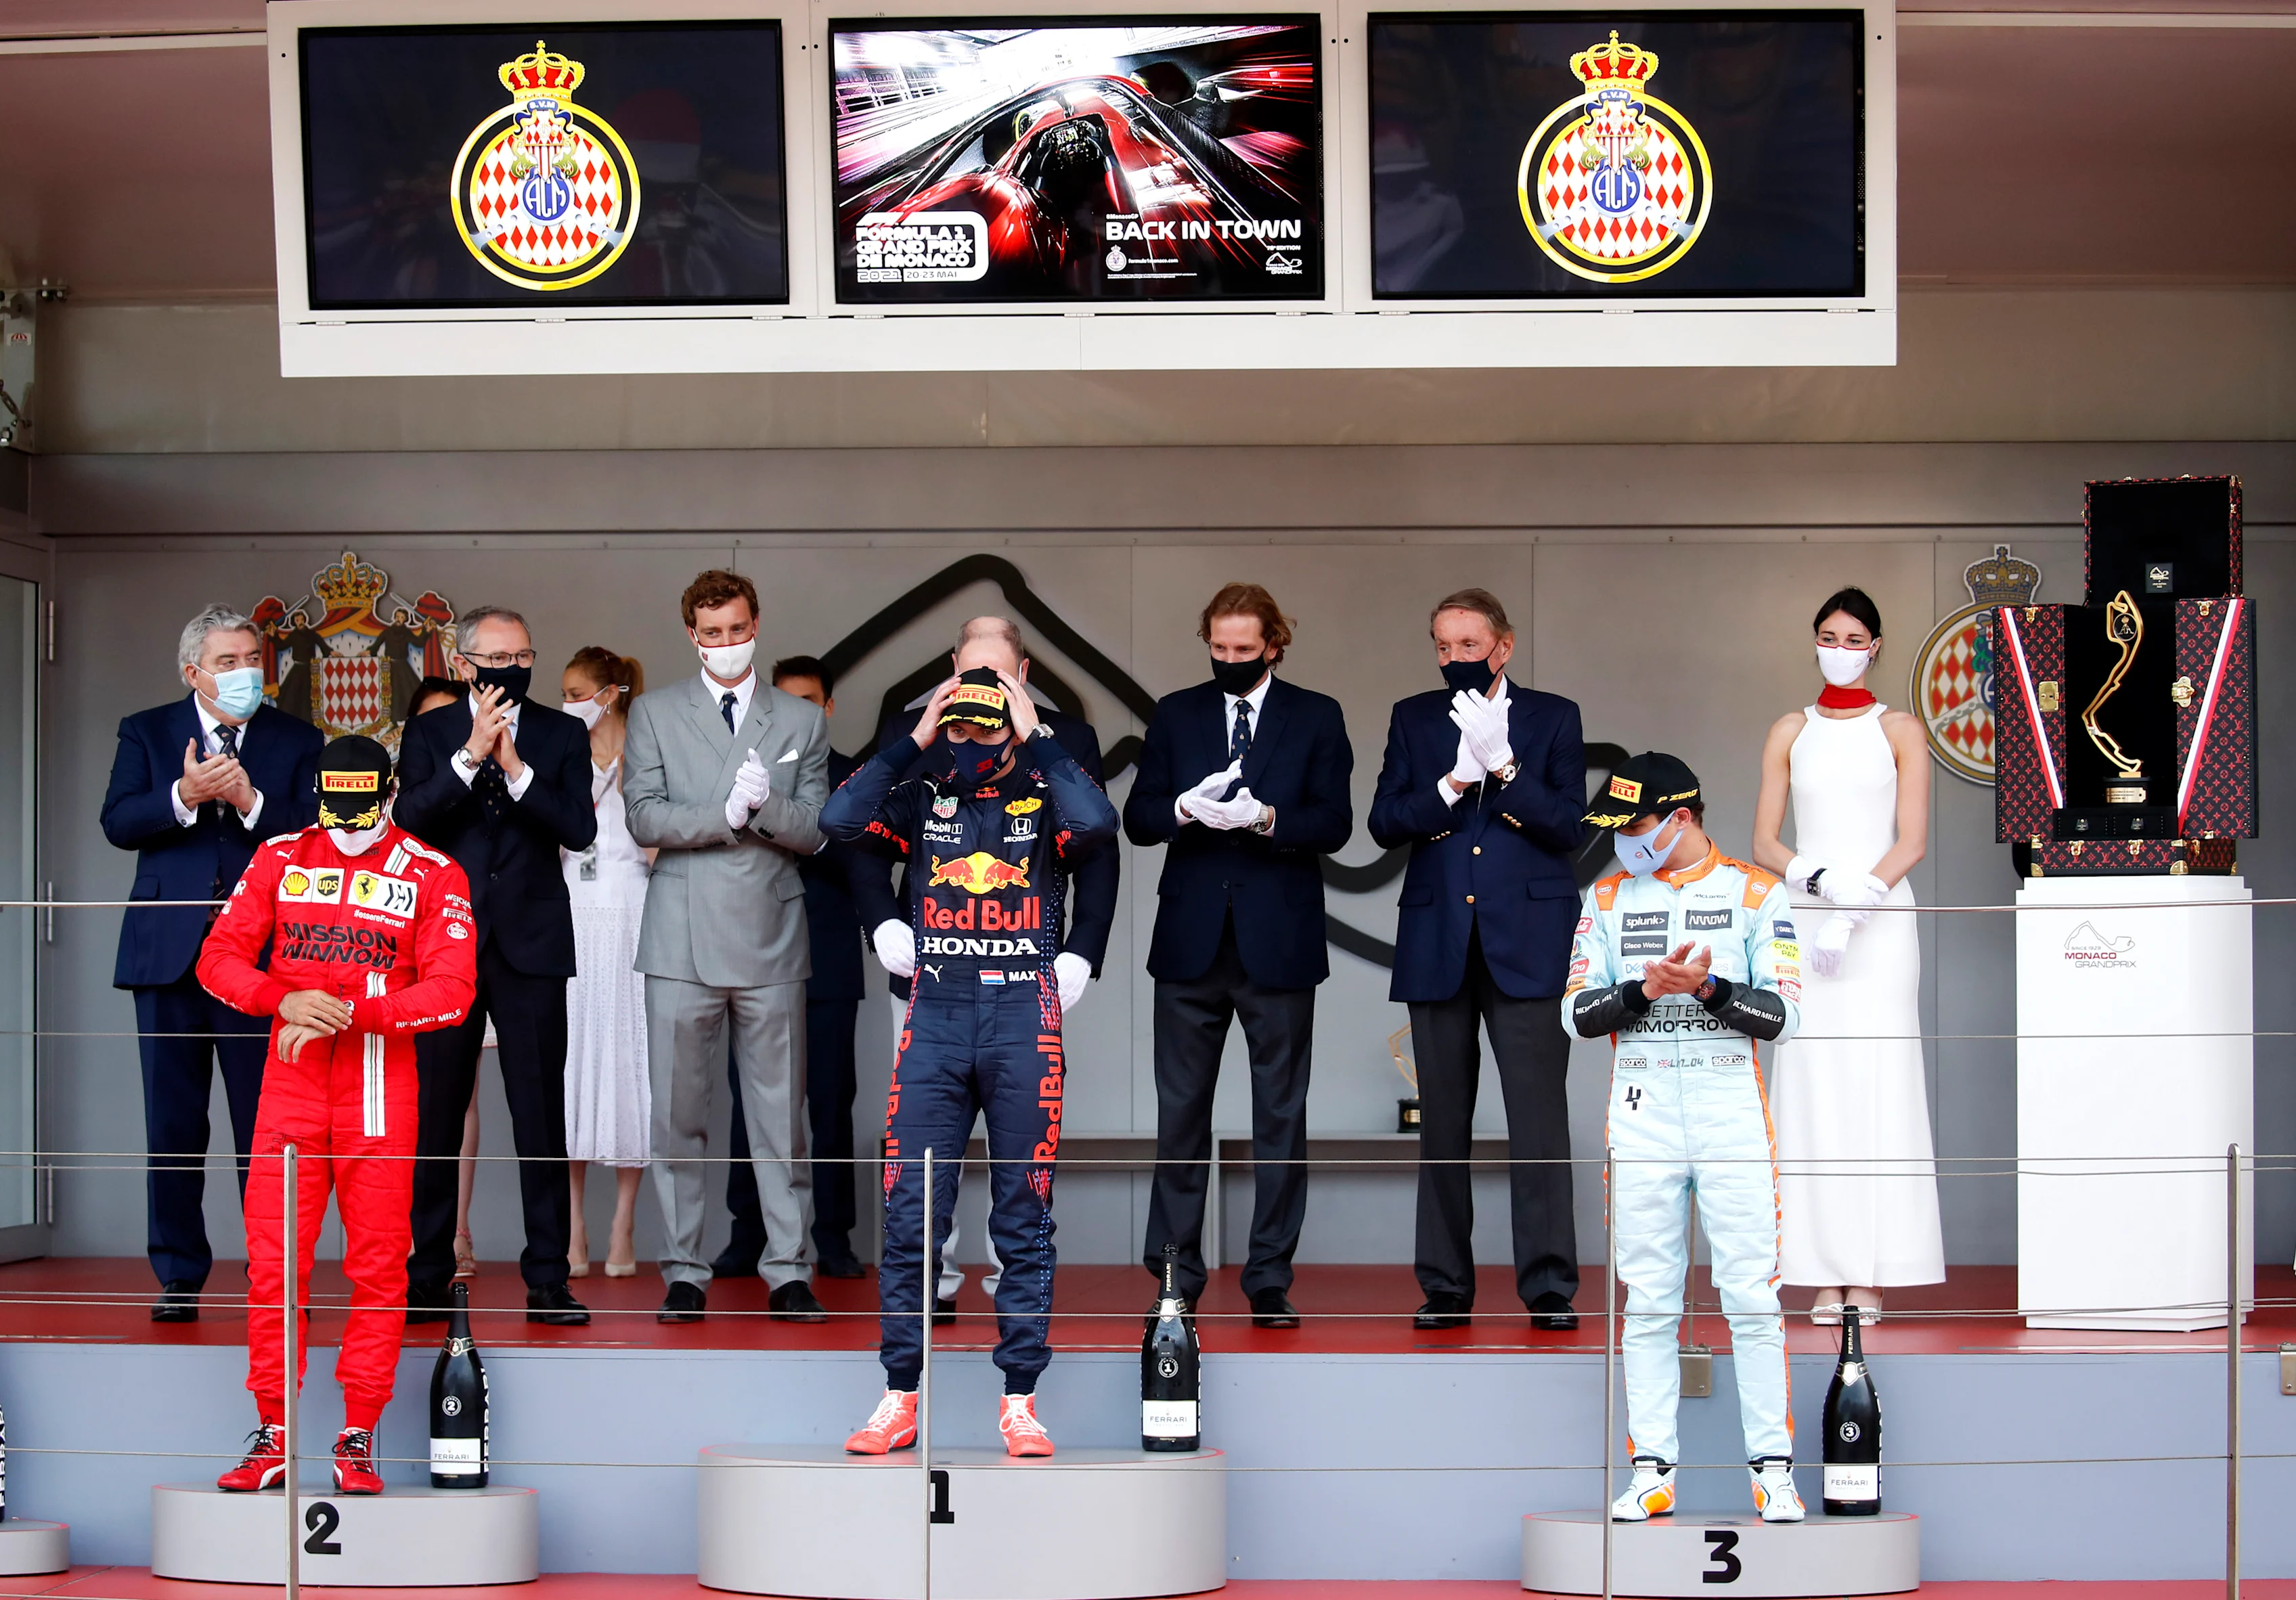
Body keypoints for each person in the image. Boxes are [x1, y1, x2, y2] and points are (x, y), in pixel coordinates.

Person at [823, 666, 1120, 1458]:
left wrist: (1039, 737)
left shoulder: (1047, 792)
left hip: (1025, 1015)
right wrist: (914, 739)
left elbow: (1098, 826)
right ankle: (899, 1396)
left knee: (1024, 1215)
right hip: (937, 1013)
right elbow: (838, 820)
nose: (970, 741)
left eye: (985, 727)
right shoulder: (922, 793)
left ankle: (1019, 1399)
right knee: (910, 1212)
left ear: (1010, 727)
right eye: (958, 728)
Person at [198, 735, 477, 1496]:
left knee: (380, 1266)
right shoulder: (279, 857)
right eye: (334, 806)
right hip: (291, 1086)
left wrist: (352, 1013)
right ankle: (274, 1432)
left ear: (389, 793)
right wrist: (282, 999)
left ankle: (357, 1434)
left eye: (361, 806)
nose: (347, 823)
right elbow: (216, 960)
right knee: (272, 1267)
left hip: (379, 1090)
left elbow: (454, 992)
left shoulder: (433, 871)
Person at [1564, 753, 1806, 1525]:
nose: (1623, 843)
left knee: (1752, 1296)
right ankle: (1650, 1474)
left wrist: (1707, 987)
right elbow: (1575, 1014)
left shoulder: (1756, 892)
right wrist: (1645, 989)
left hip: (1729, 1107)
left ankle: (1773, 1474)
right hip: (1641, 1114)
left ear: (1681, 817)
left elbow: (1785, 1017)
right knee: (1647, 1300)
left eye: (1633, 826)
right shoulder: (1605, 897)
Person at [1124, 583, 1354, 1329]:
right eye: (1217, 648)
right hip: (1189, 941)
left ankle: (1269, 1278)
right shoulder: (1176, 712)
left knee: (1280, 1117)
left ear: (1273, 646)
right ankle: (1174, 1275)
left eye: (1243, 649)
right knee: (1179, 1118)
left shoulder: (1316, 715)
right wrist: (1181, 807)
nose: (1228, 660)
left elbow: (1335, 823)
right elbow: (1138, 818)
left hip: (1277, 941)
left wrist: (1265, 818)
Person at [1368, 589, 1587, 1333]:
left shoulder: (1553, 716)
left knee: (1538, 1120)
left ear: (1504, 646)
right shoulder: (1413, 717)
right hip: (1440, 940)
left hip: (1528, 939)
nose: (1453, 658)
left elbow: (1569, 826)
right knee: (1441, 1123)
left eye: (1468, 645)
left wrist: (1506, 768)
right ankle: (1443, 1285)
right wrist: (1454, 780)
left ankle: (1549, 1286)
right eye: (1442, 646)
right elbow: (1385, 820)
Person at [102, 604, 322, 1320]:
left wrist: (250, 800)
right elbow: (118, 821)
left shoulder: (296, 737)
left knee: (266, 1126)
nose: (244, 673)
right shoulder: (147, 730)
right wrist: (184, 796)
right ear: (192, 672)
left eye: (252, 660)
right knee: (172, 1124)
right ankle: (177, 1276)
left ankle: (276, 1277)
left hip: (263, 964)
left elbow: (317, 839)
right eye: (228, 663)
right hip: (169, 957)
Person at [624, 569, 831, 1325]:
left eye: (737, 629)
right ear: (692, 635)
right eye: (712, 633)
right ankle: (684, 1268)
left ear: (756, 625)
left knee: (781, 1118)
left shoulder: (800, 720)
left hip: (770, 934)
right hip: (680, 938)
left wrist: (767, 806)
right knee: (678, 1116)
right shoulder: (654, 711)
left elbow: (817, 830)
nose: (726, 643)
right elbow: (643, 817)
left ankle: (789, 1269)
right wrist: (726, 815)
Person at [395, 606, 598, 1327]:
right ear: (464, 662)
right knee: (435, 1116)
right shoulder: (429, 734)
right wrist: (470, 756)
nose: (512, 668)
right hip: (442, 948)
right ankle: (425, 1275)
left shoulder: (562, 733)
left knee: (539, 1116)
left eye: (523, 656)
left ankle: (548, 1280)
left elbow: (579, 828)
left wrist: (514, 768)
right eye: (498, 658)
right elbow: (408, 823)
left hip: (531, 944)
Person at [1751, 587, 1944, 1324]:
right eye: (1828, 636)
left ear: (1875, 647)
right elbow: (1766, 840)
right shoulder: (1789, 730)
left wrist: (1859, 903)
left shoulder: (1900, 729)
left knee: (1878, 1079)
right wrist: (1819, 882)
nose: (1840, 649)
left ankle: (1872, 1271)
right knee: (1811, 1081)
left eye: (1854, 638)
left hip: (1879, 921)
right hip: (1808, 914)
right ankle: (1818, 1267)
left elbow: (1911, 840)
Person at [714, 654, 868, 1282]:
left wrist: (785, 821)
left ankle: (833, 1238)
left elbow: (859, 862)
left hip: (828, 959)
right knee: (749, 1103)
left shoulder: (855, 777)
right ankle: (746, 1234)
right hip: (751, 955)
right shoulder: (739, 770)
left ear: (827, 708)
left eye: (809, 702)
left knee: (830, 1104)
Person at [560, 647, 654, 1279]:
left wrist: (631, 793)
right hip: (571, 914)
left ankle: (623, 1222)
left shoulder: (648, 753)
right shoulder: (560, 755)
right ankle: (573, 1224)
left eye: (577, 692)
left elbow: (660, 849)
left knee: (628, 1061)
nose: (568, 703)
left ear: (610, 693)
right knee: (571, 1063)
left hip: (632, 916)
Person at [408, 675, 485, 1281]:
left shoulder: (496, 764)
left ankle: (457, 1231)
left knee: (464, 1099)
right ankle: (412, 1243)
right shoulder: (411, 777)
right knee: (420, 1102)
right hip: (411, 950)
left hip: (482, 945)